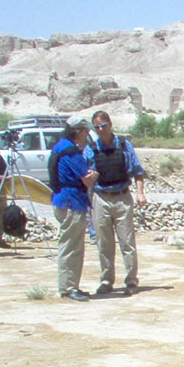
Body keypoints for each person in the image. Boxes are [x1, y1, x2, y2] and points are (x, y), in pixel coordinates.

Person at [85, 111, 147, 295]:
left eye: (103, 125)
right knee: (104, 243)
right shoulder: (91, 149)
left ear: (110, 124)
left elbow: (137, 171)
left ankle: (131, 281)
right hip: (101, 197)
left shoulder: (124, 145)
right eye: (96, 127)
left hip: (122, 197)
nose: (100, 130)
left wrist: (140, 193)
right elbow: (86, 176)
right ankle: (106, 280)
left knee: (127, 242)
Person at [49, 115, 99, 301]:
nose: (87, 135)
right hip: (72, 202)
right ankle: (69, 287)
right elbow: (87, 179)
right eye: (86, 131)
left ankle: (70, 285)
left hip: (63, 200)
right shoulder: (71, 152)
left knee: (71, 245)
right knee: (71, 247)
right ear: (78, 131)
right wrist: (94, 174)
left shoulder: (60, 146)